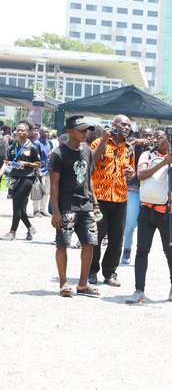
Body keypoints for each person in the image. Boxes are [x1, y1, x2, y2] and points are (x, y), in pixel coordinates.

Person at [126, 128, 172, 303]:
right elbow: (140, 175)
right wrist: (163, 163)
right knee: (142, 250)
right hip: (147, 209)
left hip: (168, 211)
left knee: (170, 251)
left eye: (159, 137)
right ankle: (139, 290)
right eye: (154, 137)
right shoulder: (147, 155)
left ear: (168, 141)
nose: (154, 140)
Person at [49, 115, 99, 297]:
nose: (85, 133)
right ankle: (63, 283)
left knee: (90, 243)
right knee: (63, 244)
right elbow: (54, 184)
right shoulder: (59, 154)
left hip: (85, 206)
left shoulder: (88, 150)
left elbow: (89, 179)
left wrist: (95, 204)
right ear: (70, 132)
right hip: (66, 207)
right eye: (81, 130)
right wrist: (55, 212)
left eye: (87, 130)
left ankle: (83, 284)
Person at [88, 115, 135, 286]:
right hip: (99, 197)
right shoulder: (97, 143)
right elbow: (91, 163)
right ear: (114, 125)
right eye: (123, 124)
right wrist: (103, 142)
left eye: (129, 125)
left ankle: (110, 273)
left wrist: (131, 173)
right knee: (96, 236)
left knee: (116, 237)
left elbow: (131, 172)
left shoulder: (129, 148)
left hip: (120, 197)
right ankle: (91, 271)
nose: (127, 128)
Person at [1, 120, 42, 241]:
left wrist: (27, 163)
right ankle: (30, 228)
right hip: (14, 178)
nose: (20, 132)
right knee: (19, 206)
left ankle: (12, 232)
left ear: (27, 132)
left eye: (23, 130)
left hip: (27, 178)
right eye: (18, 130)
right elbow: (6, 164)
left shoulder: (33, 147)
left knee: (17, 204)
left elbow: (38, 164)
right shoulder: (12, 147)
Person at [121, 125, 153, 265]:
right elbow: (123, 152)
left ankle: (142, 253)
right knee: (130, 223)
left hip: (151, 191)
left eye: (150, 135)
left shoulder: (155, 150)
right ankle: (126, 248)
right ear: (139, 134)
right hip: (134, 189)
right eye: (145, 134)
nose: (148, 137)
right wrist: (135, 143)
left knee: (147, 225)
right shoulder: (133, 146)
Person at [32, 125, 53, 218]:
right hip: (41, 171)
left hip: (48, 171)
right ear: (40, 133)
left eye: (47, 132)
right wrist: (38, 171)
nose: (47, 133)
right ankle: (36, 210)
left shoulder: (48, 143)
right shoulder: (37, 143)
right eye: (45, 132)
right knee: (38, 191)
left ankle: (43, 210)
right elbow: (35, 158)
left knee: (46, 192)